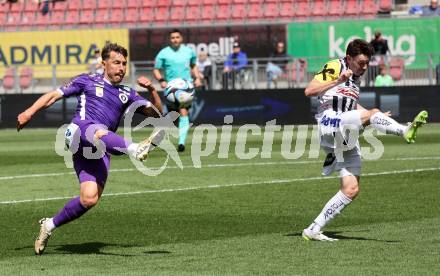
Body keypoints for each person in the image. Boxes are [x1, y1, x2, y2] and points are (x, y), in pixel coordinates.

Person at [17, 43, 165, 255]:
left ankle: (48, 225)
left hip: (100, 147)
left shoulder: (127, 93)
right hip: (78, 132)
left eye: (124, 63)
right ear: (104, 64)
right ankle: (134, 149)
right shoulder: (86, 80)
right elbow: (53, 95)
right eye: (116, 63)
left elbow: (157, 114)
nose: (121, 68)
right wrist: (29, 112)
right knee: (95, 129)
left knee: (89, 198)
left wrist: (152, 90)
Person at [302, 39, 428, 241]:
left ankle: (313, 229)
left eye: (367, 62)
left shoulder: (355, 78)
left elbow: (351, 107)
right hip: (329, 123)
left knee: (351, 189)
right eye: (361, 62)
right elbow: (309, 91)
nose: (365, 66)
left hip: (344, 129)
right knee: (373, 113)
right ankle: (404, 131)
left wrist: (374, 116)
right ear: (349, 58)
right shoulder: (336, 66)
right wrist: (339, 80)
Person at [153, 29, 202, 152]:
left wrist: (197, 78)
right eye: (173, 38)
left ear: (181, 38)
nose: (175, 39)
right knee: (173, 116)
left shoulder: (189, 52)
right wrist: (161, 80)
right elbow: (156, 69)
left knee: (183, 111)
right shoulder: (163, 53)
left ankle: (181, 143)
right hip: (170, 88)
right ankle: (163, 137)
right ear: (170, 40)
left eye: (177, 37)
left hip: (186, 88)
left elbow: (193, 65)